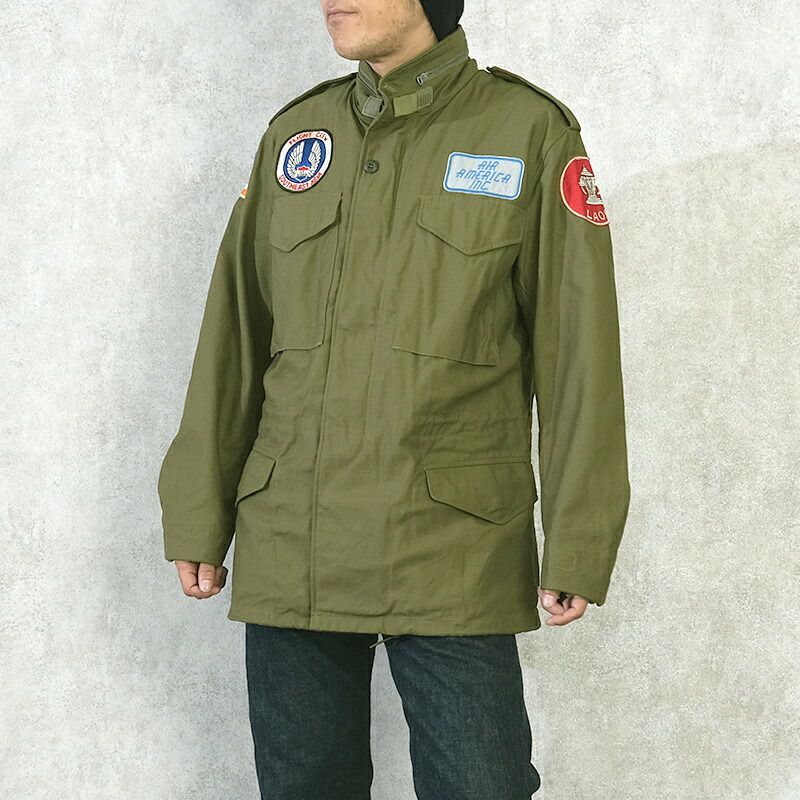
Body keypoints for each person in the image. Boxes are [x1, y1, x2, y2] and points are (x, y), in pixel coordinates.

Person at [157, 1, 631, 797]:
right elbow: (233, 337)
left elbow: (577, 354)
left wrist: (578, 537)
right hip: (294, 536)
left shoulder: (527, 132)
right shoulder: (297, 137)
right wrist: (199, 508)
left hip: (452, 546)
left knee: (481, 784)